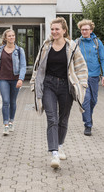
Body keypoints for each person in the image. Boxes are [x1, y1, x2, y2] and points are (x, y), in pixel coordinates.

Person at [30, 17, 88, 169]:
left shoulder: (72, 47)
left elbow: (81, 66)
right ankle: (54, 152)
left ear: (64, 30)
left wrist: (82, 84)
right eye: (52, 29)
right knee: (52, 118)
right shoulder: (46, 46)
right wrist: (34, 83)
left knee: (63, 119)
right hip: (48, 84)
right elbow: (38, 65)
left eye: (57, 29)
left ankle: (60, 144)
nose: (54, 32)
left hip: (65, 86)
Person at [77, 19, 104, 136]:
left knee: (93, 100)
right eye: (82, 29)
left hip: (94, 76)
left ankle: (88, 116)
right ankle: (88, 125)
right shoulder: (77, 43)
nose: (84, 31)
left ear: (91, 30)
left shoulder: (97, 43)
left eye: (86, 29)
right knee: (86, 100)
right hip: (81, 77)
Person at [0, 29, 26, 135]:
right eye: (9, 36)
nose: (11, 37)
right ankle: (5, 124)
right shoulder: (0, 50)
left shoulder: (19, 50)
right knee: (5, 101)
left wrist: (21, 78)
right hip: (3, 79)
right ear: (5, 38)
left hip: (15, 79)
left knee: (12, 101)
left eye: (13, 35)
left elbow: (23, 66)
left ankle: (11, 121)